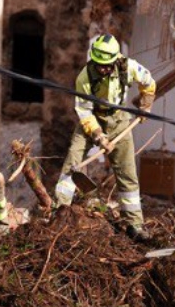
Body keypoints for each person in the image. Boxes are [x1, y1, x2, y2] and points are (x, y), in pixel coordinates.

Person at [52, 34, 157, 240]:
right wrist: (99, 137)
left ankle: (134, 225)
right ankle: (58, 213)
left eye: (106, 66)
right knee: (71, 164)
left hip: (119, 122)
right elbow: (84, 112)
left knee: (127, 174)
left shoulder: (128, 67)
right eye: (99, 65)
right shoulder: (85, 77)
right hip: (92, 120)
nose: (102, 69)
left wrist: (146, 104)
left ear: (115, 60)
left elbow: (149, 81)